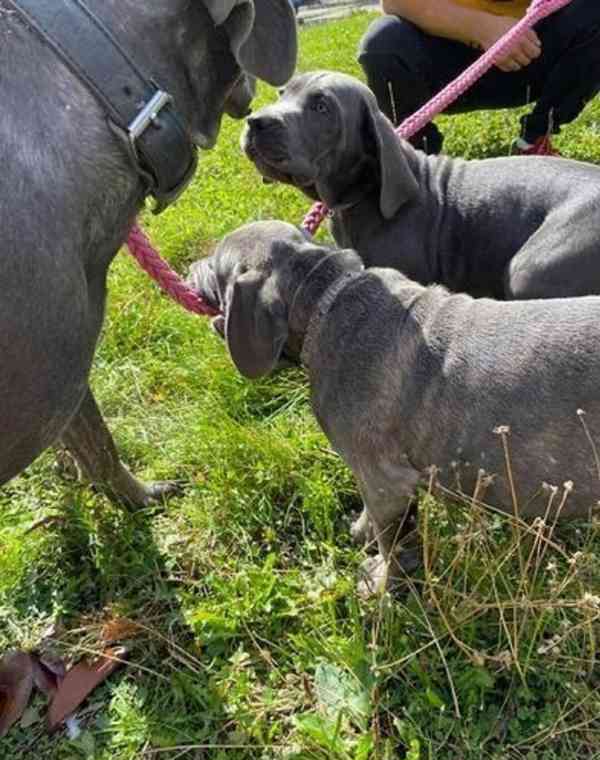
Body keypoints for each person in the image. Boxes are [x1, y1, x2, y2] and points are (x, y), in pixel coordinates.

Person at [358, 0, 600, 155]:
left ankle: (534, 140)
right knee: (383, 43)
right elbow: (396, 2)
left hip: (530, 52)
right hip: (444, 63)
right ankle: (419, 159)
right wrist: (482, 28)